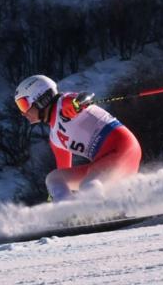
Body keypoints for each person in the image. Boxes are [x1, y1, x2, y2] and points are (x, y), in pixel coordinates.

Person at [14, 75, 142, 202]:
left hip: (123, 148)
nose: (23, 112)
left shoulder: (62, 105)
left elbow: (82, 97)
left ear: (41, 98)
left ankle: (101, 211)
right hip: (103, 163)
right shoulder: (54, 138)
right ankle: (66, 213)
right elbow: (64, 171)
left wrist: (77, 103)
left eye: (23, 104)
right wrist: (55, 195)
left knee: (88, 186)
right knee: (54, 179)